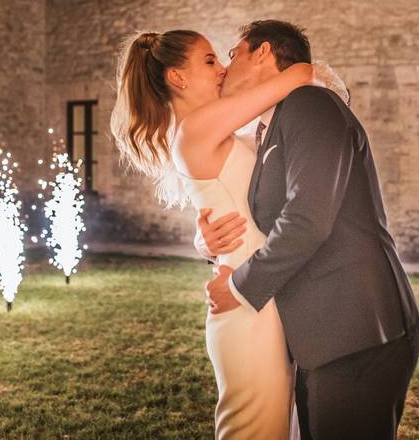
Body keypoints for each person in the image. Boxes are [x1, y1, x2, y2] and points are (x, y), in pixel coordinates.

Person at [202, 20, 419, 440]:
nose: (226, 69)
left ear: (264, 52)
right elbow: (263, 215)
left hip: (356, 330)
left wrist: (239, 287)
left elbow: (307, 217)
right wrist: (209, 241)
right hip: (324, 336)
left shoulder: (310, 103)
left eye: (233, 54)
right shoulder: (274, 124)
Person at [111, 29, 315, 439]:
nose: (222, 69)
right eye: (209, 61)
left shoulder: (214, 130)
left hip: (263, 294)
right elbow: (300, 75)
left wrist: (201, 241)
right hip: (245, 305)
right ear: (178, 78)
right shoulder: (196, 129)